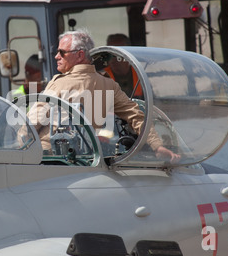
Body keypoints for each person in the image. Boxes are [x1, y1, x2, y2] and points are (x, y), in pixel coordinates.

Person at [32, 28, 180, 163]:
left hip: (50, 158)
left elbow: (33, 121)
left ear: (80, 55)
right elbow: (136, 116)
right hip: (87, 159)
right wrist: (157, 146)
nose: (57, 57)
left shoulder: (58, 83)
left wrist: (22, 145)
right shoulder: (109, 84)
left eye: (62, 52)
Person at [104, 33, 143, 98]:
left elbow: (153, 100)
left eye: (117, 53)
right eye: (110, 53)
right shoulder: (100, 76)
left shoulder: (141, 74)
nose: (113, 58)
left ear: (128, 54)